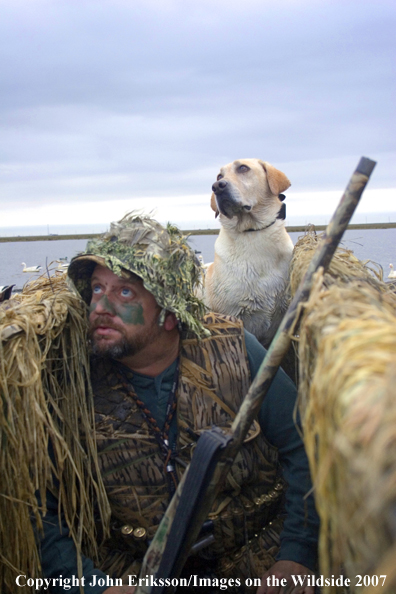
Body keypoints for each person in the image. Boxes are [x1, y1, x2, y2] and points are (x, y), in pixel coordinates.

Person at [38, 213, 319, 594]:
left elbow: (305, 448)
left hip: (256, 562)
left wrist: (297, 555)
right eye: (97, 289)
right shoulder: (71, 379)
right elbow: (43, 507)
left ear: (169, 314)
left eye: (125, 293)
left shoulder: (237, 350)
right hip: (133, 577)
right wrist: (92, 587)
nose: (100, 307)